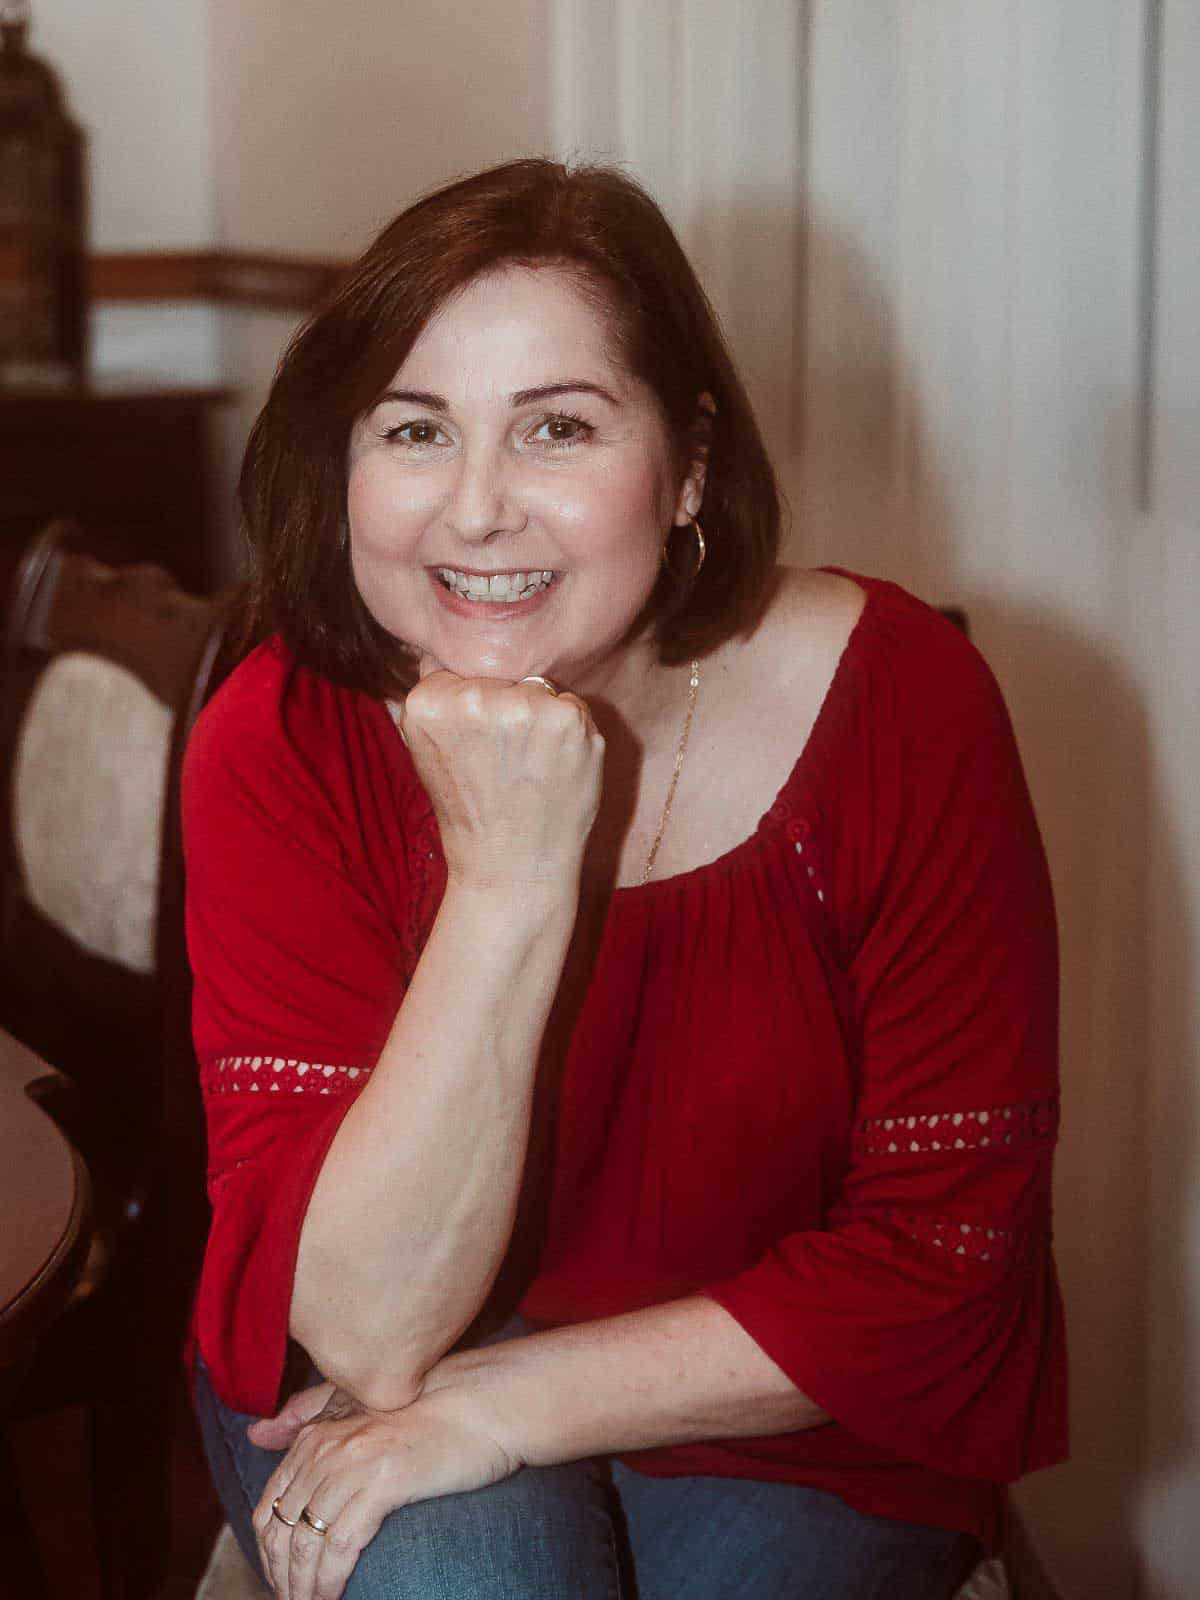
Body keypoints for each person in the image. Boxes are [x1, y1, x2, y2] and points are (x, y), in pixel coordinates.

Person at [184, 159, 1067, 1600]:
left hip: (775, 1409)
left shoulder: (909, 706)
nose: (474, 512)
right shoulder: (279, 738)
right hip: (369, 1367)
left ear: (692, 464)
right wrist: (511, 883)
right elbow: (366, 1331)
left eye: (558, 429)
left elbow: (944, 1257)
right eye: (415, 429)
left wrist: (508, 1401)